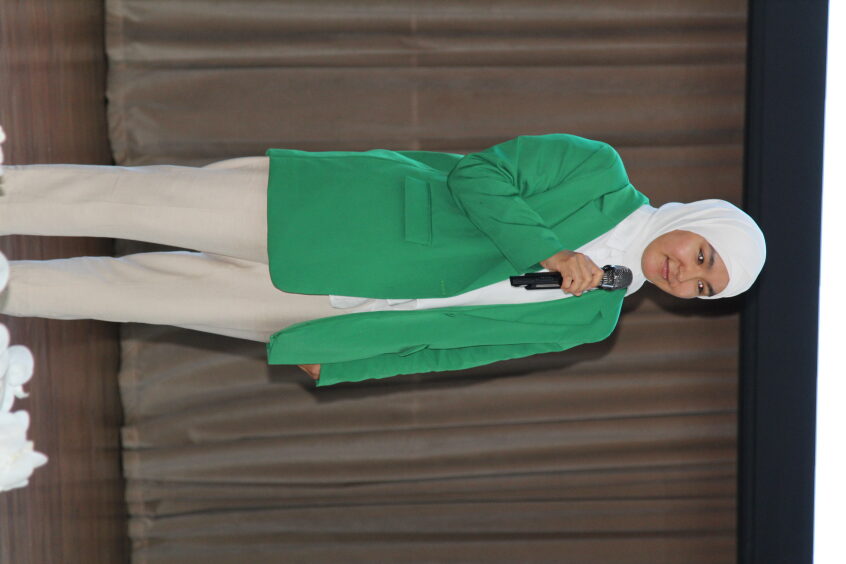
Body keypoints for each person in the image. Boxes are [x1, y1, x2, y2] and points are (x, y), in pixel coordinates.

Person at [0, 132, 766, 388]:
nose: (687, 275)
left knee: (130, 295)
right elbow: (478, 176)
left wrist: (348, 365)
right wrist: (547, 250)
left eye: (705, 287)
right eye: (702, 254)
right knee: (131, 202)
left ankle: (11, 290)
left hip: (332, 314)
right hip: (336, 217)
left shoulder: (592, 321)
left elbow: (458, 349)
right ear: (695, 219)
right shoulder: (597, 169)